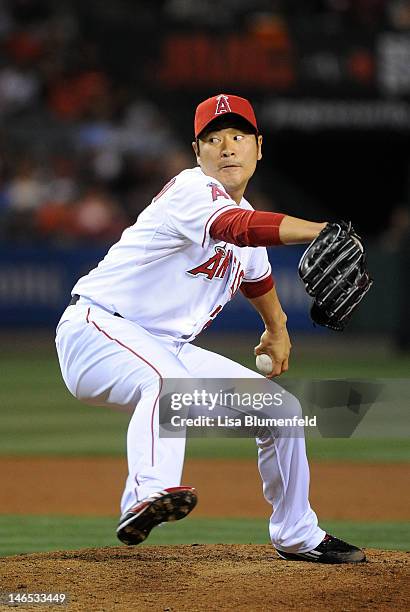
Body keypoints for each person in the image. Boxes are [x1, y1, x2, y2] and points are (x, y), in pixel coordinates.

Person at [55, 93, 365, 563]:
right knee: (167, 382)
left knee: (280, 411)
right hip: (97, 330)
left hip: (162, 346)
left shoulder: (245, 208)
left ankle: (297, 535)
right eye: (213, 139)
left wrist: (277, 328)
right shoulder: (191, 192)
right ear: (196, 152)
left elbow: (257, 276)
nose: (226, 148)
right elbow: (239, 229)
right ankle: (146, 494)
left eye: (238, 137)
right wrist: (319, 230)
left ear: (259, 148)